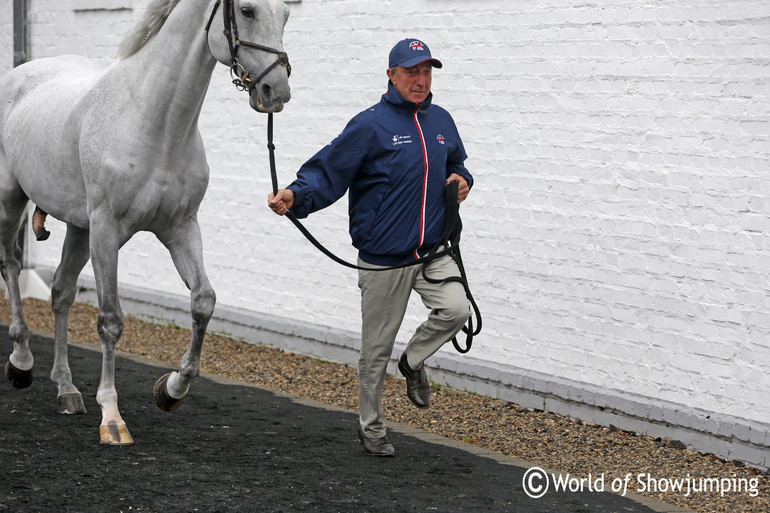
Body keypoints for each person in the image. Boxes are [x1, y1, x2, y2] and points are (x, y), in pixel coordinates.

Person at [268, 38, 474, 457]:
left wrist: (462, 179)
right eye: (412, 72)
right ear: (391, 75)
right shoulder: (370, 125)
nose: (420, 80)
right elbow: (329, 171)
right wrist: (296, 195)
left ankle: (413, 361)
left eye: (426, 72)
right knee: (375, 351)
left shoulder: (442, 122)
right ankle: (372, 427)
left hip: (433, 249)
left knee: (457, 310)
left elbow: (457, 163)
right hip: (384, 259)